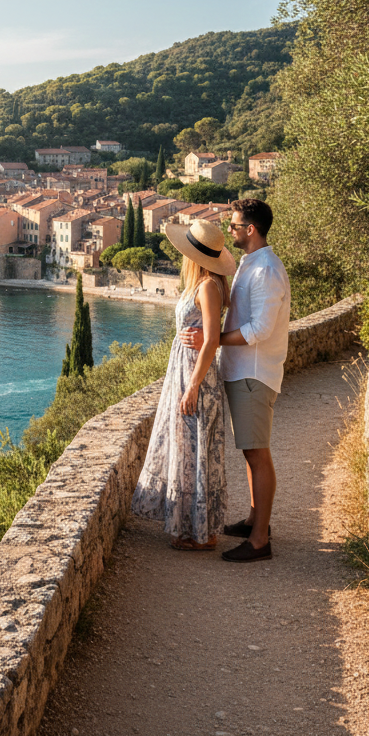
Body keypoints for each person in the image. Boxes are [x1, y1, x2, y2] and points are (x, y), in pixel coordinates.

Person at [181, 198, 290, 563]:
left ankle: (260, 541)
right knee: (250, 449)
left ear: (251, 230)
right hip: (241, 371)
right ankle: (255, 520)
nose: (230, 231)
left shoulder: (267, 271)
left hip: (254, 373)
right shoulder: (250, 264)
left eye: (234, 225)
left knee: (258, 454)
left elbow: (260, 329)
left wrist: (211, 341)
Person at [131, 219, 235, 550]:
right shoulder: (202, 284)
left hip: (196, 376)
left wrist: (193, 386)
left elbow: (211, 340)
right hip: (185, 371)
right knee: (190, 448)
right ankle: (193, 528)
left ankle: (202, 535)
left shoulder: (207, 287)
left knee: (195, 448)